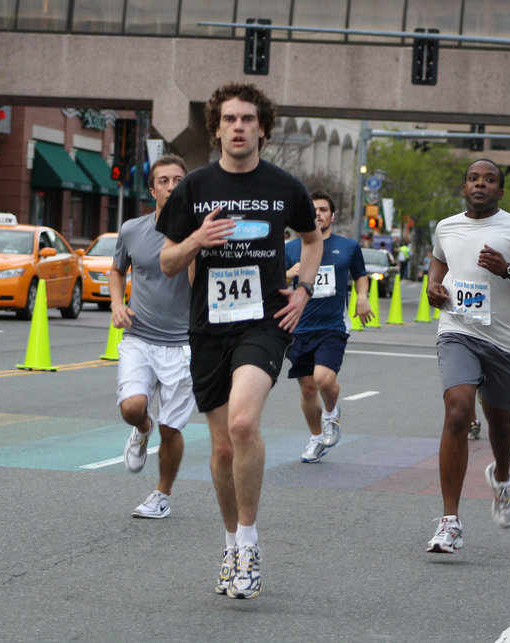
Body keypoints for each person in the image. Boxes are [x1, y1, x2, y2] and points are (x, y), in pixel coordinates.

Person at [157, 82, 322, 599]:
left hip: (264, 321)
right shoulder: (196, 186)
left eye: (247, 119)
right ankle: (230, 542)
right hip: (208, 325)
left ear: (262, 129)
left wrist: (303, 290)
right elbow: (165, 260)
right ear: (216, 128)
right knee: (223, 447)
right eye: (229, 119)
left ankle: (249, 542)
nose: (238, 127)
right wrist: (196, 240)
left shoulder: (284, 186)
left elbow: (312, 238)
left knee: (244, 421)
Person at [425, 159, 510, 553]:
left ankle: (501, 478)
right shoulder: (447, 226)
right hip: (457, 330)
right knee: (458, 412)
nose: (480, 184)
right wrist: (434, 285)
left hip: (504, 342)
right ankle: (450, 521)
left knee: (501, 420)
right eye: (472, 179)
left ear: (500, 191)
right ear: (464, 188)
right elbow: (439, 259)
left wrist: (508, 270)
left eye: (489, 180)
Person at [109, 154, 195, 520]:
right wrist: (116, 304)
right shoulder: (132, 230)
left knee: (171, 427)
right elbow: (117, 271)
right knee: (132, 407)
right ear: (152, 189)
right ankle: (141, 428)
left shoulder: (200, 233)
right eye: (164, 181)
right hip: (139, 336)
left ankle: (162, 494)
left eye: (179, 180)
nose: (172, 187)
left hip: (184, 344)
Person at [285, 190, 372, 463]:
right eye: (313, 210)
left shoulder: (347, 247)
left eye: (323, 209)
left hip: (333, 325)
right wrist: (289, 273)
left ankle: (331, 414)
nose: (318, 214)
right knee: (308, 389)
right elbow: (272, 281)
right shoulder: (289, 249)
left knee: (323, 378)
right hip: (298, 327)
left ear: (331, 215)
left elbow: (360, 275)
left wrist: (363, 297)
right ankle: (315, 438)